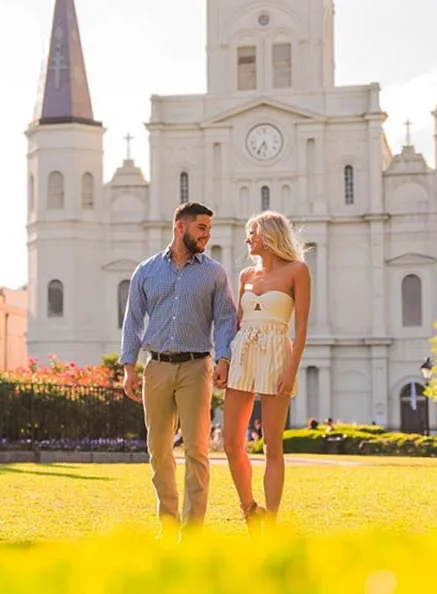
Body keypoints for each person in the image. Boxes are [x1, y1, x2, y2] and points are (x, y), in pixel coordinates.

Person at [120, 201, 238, 536]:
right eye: (201, 228)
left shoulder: (214, 273)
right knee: (158, 450)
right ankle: (168, 526)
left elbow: (226, 319)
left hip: (196, 367)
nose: (206, 236)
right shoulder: (146, 270)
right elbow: (133, 320)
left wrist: (224, 358)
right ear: (179, 227)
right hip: (156, 367)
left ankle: (193, 532)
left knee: (197, 449)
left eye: (209, 230)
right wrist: (129, 366)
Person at [222, 211, 310, 529]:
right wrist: (224, 361)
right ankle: (249, 509)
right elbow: (236, 324)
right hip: (243, 353)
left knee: (272, 445)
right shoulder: (246, 275)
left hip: (277, 353)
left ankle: (271, 521)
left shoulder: (297, 271)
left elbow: (301, 328)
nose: (248, 239)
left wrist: (291, 370)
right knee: (231, 442)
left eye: (253, 232)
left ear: (270, 235)